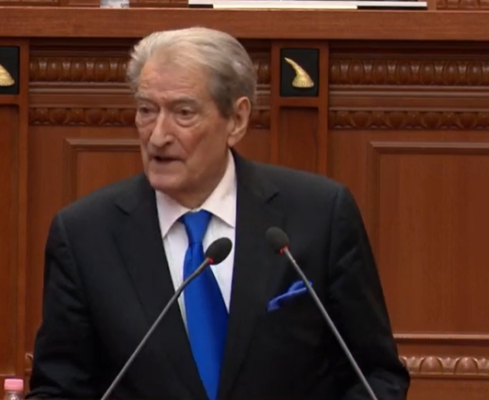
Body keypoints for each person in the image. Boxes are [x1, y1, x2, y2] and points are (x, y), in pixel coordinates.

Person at [26, 27, 410, 400]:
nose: (158, 135)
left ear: (237, 120)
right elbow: (59, 388)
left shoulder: (318, 215)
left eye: (183, 112)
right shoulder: (85, 234)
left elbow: (376, 376)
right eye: (146, 110)